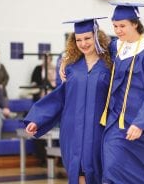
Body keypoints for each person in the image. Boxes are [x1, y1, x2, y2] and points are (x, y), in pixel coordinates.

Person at [24, 17, 112, 184]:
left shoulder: (109, 65)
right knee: (77, 171)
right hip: (72, 129)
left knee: (96, 172)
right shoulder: (71, 67)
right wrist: (37, 119)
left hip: (99, 129)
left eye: (87, 38)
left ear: (97, 37)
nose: (83, 43)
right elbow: (60, 97)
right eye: (79, 40)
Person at [100, 2, 144, 183]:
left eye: (122, 26)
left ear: (135, 24)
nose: (118, 31)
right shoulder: (117, 47)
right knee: (111, 167)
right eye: (115, 26)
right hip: (118, 122)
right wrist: (66, 60)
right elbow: (90, 51)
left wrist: (141, 123)